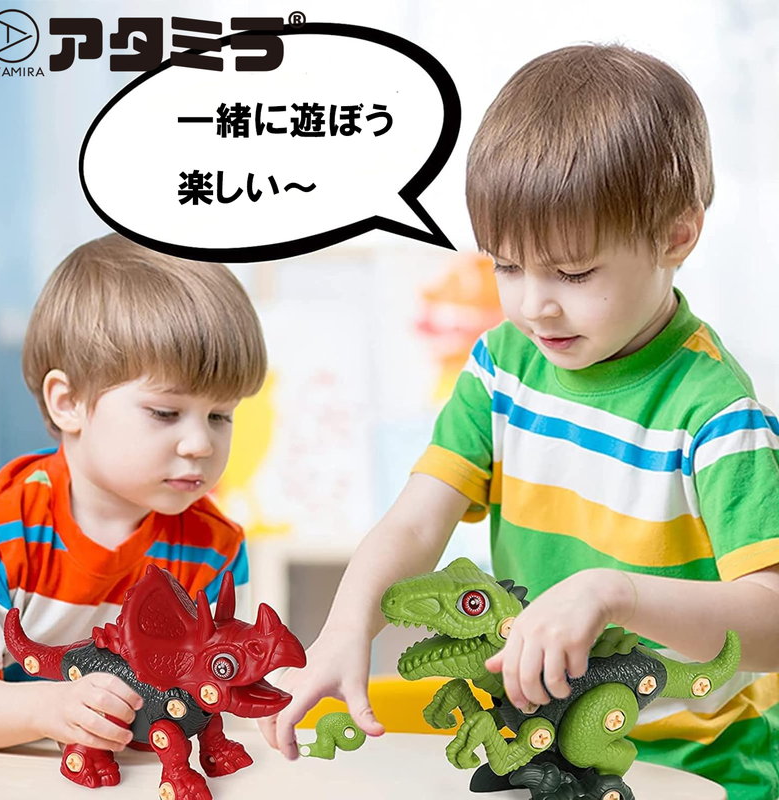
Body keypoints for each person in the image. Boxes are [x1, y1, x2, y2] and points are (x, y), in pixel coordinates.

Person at [260, 45, 779, 799]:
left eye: (573, 273)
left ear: (675, 236)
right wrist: (346, 627)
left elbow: (771, 623)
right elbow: (416, 521)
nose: (535, 305)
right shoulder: (503, 367)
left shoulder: (718, 414)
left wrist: (615, 594)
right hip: (539, 750)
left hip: (694, 768)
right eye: (506, 265)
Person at [0, 233, 265, 752]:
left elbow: (211, 692)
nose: (201, 443)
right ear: (68, 402)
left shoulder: (215, 547)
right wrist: (46, 709)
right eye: (165, 412)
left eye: (220, 415)